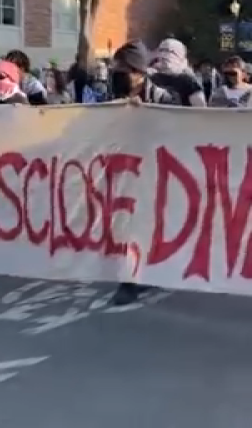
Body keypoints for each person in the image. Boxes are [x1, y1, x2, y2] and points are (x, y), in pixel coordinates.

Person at [108, 41, 178, 306]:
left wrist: (145, 116)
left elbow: (175, 132)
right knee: (127, 225)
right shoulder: (112, 97)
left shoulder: (162, 98)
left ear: (138, 72)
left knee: (148, 225)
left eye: (123, 70)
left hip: (156, 172)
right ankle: (131, 276)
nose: (117, 75)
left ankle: (140, 275)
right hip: (124, 171)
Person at [150, 38, 207, 107]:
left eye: (170, 52)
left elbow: (200, 108)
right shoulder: (152, 78)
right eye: (162, 51)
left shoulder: (189, 83)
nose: (164, 57)